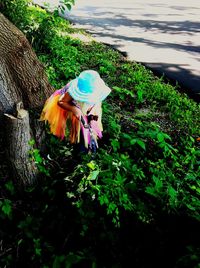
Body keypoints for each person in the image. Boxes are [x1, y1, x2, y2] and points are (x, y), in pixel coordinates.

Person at [40, 70, 111, 151]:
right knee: (80, 131)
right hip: (74, 109)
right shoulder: (71, 91)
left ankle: (90, 143)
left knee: (91, 126)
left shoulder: (98, 90)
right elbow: (61, 101)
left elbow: (95, 102)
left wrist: (91, 113)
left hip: (87, 110)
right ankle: (81, 149)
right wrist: (74, 109)